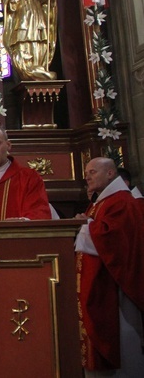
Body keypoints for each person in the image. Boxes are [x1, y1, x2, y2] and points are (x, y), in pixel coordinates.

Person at [75, 157, 144, 376]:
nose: (87, 176)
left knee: (123, 343)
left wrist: (85, 225)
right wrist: (87, 224)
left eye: (93, 171)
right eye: (87, 172)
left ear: (110, 174)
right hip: (100, 282)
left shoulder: (122, 201)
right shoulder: (103, 201)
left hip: (114, 287)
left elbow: (114, 239)